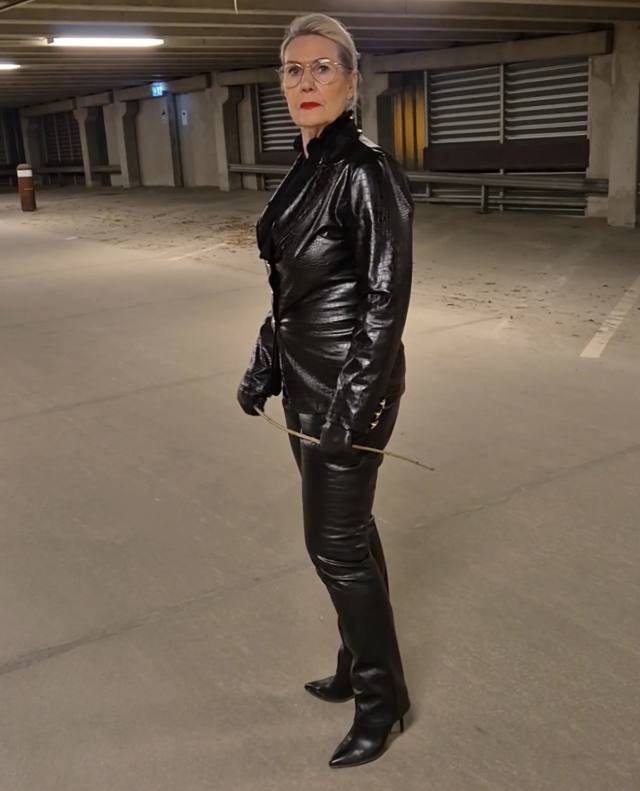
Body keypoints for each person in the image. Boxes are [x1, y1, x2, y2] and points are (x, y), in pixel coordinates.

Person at [237, 12, 413, 769]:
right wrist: (266, 361)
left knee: (333, 546)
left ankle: (382, 701)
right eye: (292, 69)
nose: (304, 82)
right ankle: (353, 666)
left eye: (321, 68)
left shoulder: (364, 170)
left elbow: (385, 301)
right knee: (353, 536)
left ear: (351, 81)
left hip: (349, 385)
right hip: (307, 383)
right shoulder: (308, 163)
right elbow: (293, 287)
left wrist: (353, 407)